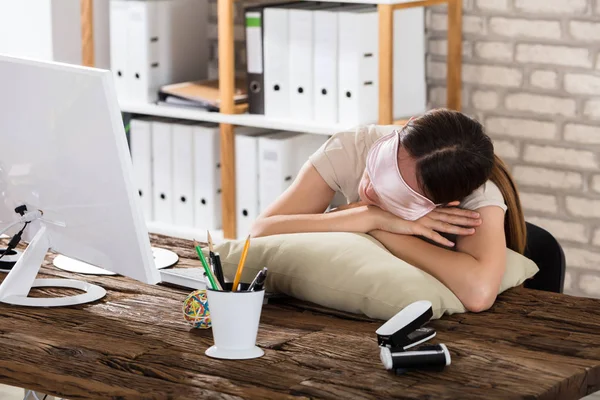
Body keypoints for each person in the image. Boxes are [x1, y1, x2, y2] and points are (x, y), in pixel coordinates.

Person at [250, 109, 526, 313]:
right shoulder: (352, 147)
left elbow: (478, 293)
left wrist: (379, 229)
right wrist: (371, 216)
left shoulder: (479, 195)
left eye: (398, 193)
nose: (369, 191)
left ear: (442, 205)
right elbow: (261, 232)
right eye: (381, 163)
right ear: (407, 126)